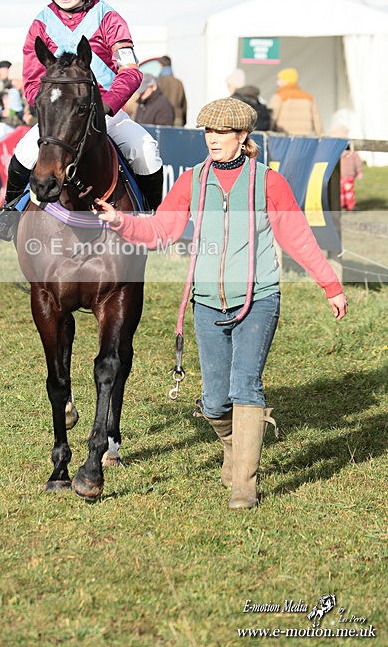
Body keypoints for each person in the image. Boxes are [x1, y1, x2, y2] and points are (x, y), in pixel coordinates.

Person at [96, 97, 347, 509]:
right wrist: (122, 221)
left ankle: (243, 484)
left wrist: (330, 285)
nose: (213, 139)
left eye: (222, 132)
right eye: (208, 132)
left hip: (259, 297)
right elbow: (163, 229)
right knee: (214, 401)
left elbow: (298, 236)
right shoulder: (192, 181)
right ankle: (236, 446)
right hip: (207, 303)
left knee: (245, 386)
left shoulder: (267, 181)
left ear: (242, 137)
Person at [0, 0, 163, 240]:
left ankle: (151, 221)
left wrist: (106, 105)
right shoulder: (40, 24)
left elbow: (131, 71)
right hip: (59, 119)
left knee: (145, 151)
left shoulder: (109, 18)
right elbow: (31, 80)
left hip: (106, 112)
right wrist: (50, 109)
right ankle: (10, 214)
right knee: (21, 155)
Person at [269, 67, 322, 137]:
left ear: (286, 80)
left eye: (279, 79)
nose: (277, 82)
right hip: (305, 137)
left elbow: (272, 117)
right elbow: (316, 119)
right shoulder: (308, 97)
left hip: (285, 137)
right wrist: (320, 135)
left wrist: (269, 132)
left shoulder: (279, 96)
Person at [157, 56, 187, 127]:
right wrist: (183, 119)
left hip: (162, 117)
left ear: (161, 65)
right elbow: (184, 104)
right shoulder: (178, 82)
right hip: (177, 118)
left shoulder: (158, 82)